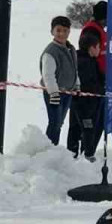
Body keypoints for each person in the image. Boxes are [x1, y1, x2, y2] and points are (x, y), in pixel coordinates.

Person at [40, 16, 78, 147]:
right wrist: (53, 93)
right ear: (52, 31)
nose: (61, 34)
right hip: (54, 93)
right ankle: (49, 148)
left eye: (65, 30)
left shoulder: (71, 48)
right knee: (54, 122)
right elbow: (48, 75)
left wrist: (76, 84)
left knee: (59, 122)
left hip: (67, 92)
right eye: (58, 30)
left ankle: (53, 148)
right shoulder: (51, 52)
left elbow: (74, 69)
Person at [69, 30, 104, 161]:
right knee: (87, 130)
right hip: (85, 105)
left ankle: (72, 153)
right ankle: (88, 155)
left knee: (75, 129)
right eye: (98, 47)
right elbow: (88, 85)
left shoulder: (83, 59)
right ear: (92, 48)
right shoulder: (85, 63)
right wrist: (102, 90)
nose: (100, 50)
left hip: (77, 103)